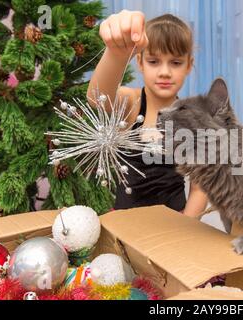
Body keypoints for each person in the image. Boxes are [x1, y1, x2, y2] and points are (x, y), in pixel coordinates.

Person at [88, 10, 209, 218]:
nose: (164, 72)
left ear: (189, 65)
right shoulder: (131, 104)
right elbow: (96, 98)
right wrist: (116, 54)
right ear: (140, 62)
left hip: (172, 225)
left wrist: (184, 226)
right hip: (126, 225)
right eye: (154, 61)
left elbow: (200, 188)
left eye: (175, 62)